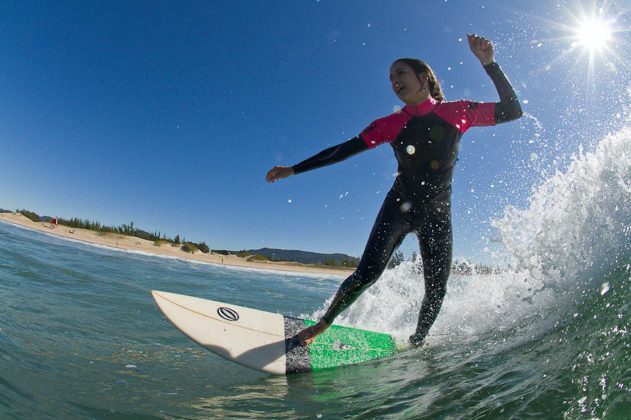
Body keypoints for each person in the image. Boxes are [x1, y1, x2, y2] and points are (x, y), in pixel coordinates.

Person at [266, 34, 522, 347]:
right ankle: (322, 326)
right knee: (367, 273)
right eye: (390, 77)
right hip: (399, 206)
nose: (393, 81)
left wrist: (489, 64)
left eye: (400, 73)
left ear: (423, 78)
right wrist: (294, 169)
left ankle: (418, 341)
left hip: (437, 215)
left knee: (437, 288)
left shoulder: (457, 113)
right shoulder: (391, 123)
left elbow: (512, 110)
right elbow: (344, 150)